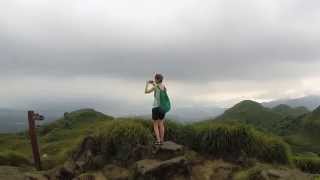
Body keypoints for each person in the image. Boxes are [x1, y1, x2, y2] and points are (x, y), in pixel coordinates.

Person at [145, 73, 167, 145]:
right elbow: (159, 88)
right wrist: (153, 83)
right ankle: (162, 140)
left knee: (155, 125)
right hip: (162, 108)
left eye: (155, 79)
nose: (154, 80)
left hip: (156, 107)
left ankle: (158, 141)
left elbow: (146, 92)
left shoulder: (155, 87)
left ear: (157, 79)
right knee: (161, 124)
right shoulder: (164, 87)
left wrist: (147, 83)